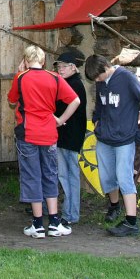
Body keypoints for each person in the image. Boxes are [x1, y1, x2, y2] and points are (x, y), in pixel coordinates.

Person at [7, 44, 80, 240]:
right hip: (49, 133)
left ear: (25, 59)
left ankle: (38, 224)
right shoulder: (54, 77)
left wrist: (20, 73)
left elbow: (12, 100)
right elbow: (75, 100)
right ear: (43, 60)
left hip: (28, 134)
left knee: (32, 176)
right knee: (50, 174)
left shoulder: (21, 77)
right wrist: (60, 119)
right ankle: (55, 222)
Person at [84, 53, 140, 237]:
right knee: (107, 177)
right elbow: (100, 106)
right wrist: (97, 123)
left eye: (98, 76)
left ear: (105, 67)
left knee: (124, 178)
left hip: (125, 140)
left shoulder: (127, 78)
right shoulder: (100, 83)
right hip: (104, 139)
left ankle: (131, 222)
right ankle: (114, 206)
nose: (97, 80)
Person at [53, 48, 88, 228]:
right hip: (64, 136)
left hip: (70, 136)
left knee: (69, 176)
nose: (61, 69)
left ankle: (71, 213)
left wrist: (57, 120)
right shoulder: (68, 83)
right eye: (59, 66)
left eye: (64, 66)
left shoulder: (74, 85)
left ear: (74, 68)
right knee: (65, 175)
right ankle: (69, 212)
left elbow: (62, 108)